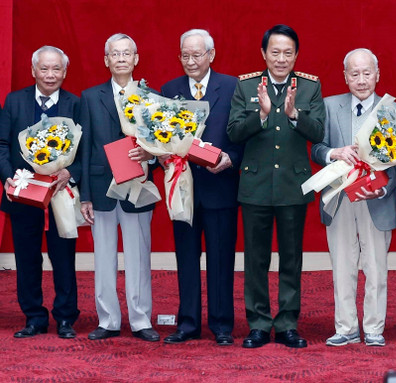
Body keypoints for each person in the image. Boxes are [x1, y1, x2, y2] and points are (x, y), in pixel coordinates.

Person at [227, 24, 324, 349]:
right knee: (255, 259)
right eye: (275, 52)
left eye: (288, 52)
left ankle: (286, 324)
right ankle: (258, 324)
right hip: (255, 185)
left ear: (296, 55)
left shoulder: (309, 87)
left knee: (291, 258)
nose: (281, 59)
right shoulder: (247, 86)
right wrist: (263, 115)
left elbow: (319, 133)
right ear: (263, 54)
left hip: (293, 185)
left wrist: (294, 114)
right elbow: (234, 132)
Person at [311, 48, 396, 348]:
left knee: (376, 267)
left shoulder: (393, 110)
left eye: (367, 73)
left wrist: (384, 187)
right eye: (355, 74)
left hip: (376, 199)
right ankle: (346, 327)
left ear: (377, 74)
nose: (361, 80)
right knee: (342, 265)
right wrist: (332, 153)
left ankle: (374, 328)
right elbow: (315, 147)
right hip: (338, 198)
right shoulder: (328, 106)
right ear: (345, 76)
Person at [160, 29, 242, 346]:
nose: (191, 61)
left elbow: (243, 135)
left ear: (212, 54)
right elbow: (159, 135)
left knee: (221, 259)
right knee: (186, 257)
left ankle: (222, 325)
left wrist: (231, 159)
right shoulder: (170, 90)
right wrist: (161, 154)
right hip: (182, 187)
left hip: (220, 186)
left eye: (197, 54)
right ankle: (188, 322)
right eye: (185, 55)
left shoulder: (233, 87)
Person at [79, 34, 159, 342]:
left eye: (127, 53)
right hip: (101, 187)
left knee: (139, 255)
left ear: (136, 59)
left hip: (137, 184)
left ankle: (141, 319)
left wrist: (150, 154)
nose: (122, 58)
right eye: (115, 54)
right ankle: (108, 319)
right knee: (103, 256)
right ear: (106, 61)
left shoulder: (152, 96)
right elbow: (84, 149)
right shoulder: (89, 96)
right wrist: (84, 195)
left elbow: (162, 144)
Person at [0, 46, 80, 339]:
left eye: (56, 69)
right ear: (33, 71)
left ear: (64, 72)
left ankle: (65, 317)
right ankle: (34, 316)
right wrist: (9, 178)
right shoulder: (14, 101)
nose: (50, 75)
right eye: (44, 69)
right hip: (22, 195)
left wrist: (69, 172)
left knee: (63, 257)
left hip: (60, 194)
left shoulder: (75, 103)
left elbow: (85, 150)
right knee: (27, 258)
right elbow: (2, 145)